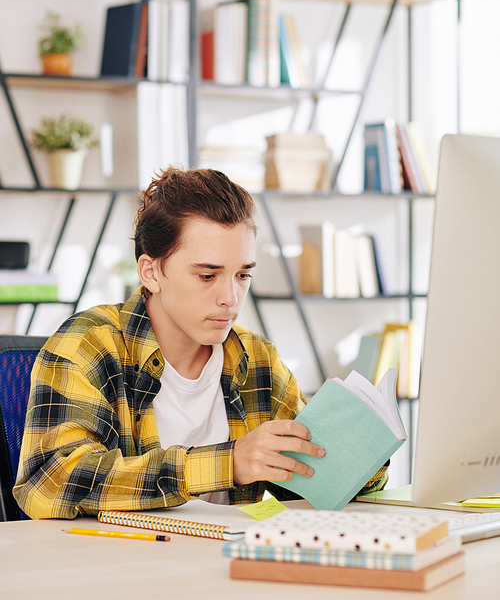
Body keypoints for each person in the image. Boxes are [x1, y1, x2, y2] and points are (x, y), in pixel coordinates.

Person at [14, 167, 387, 519]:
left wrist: (366, 451)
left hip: (228, 562)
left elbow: (308, 482)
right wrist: (228, 463)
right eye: (208, 276)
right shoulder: (89, 343)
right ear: (151, 272)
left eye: (242, 275)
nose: (230, 297)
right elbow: (48, 481)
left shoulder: (256, 357)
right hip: (124, 569)